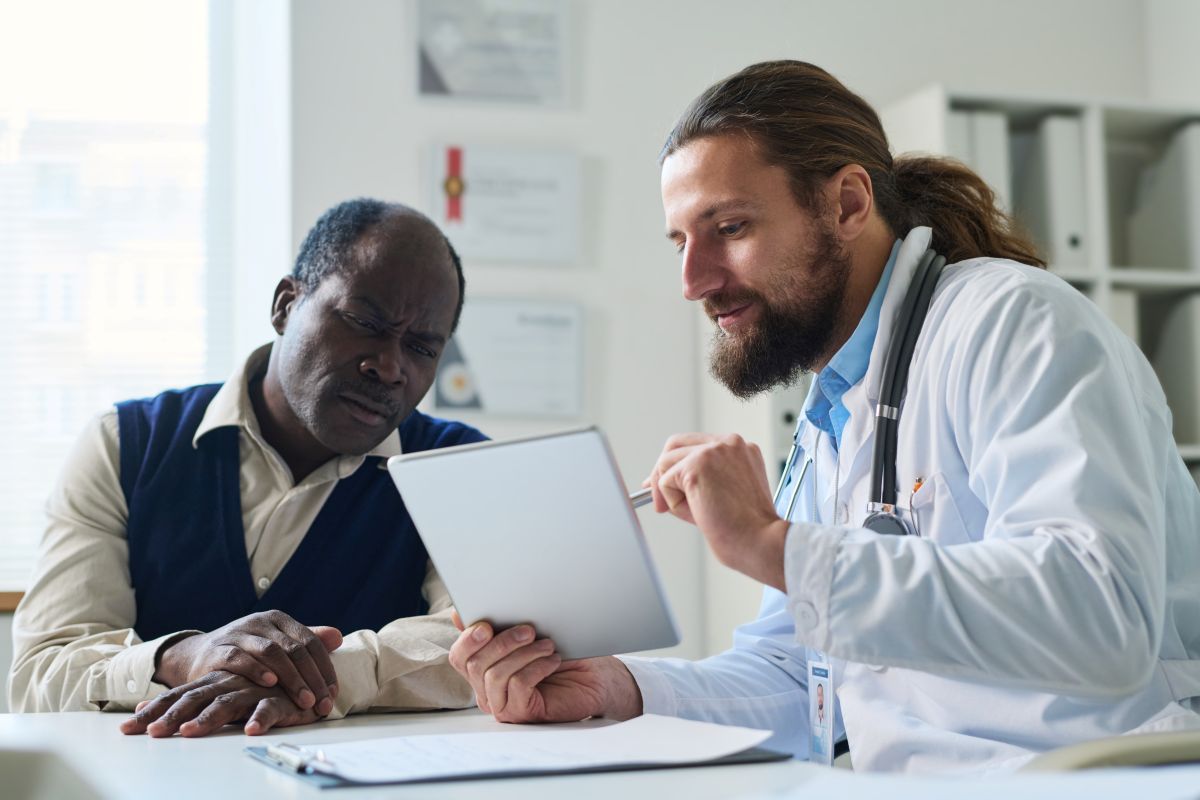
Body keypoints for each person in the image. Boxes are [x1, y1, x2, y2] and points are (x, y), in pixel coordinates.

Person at [446, 61, 1200, 773]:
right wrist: (617, 688)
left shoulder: (1013, 321)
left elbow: (1102, 614)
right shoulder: (836, 406)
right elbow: (800, 680)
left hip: (1087, 774)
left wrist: (773, 544)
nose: (693, 282)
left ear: (846, 204)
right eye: (681, 242)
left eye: (729, 229)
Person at [9, 198, 486, 738]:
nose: (390, 366)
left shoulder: (458, 469)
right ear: (285, 305)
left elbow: (481, 650)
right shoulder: (123, 445)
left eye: (422, 347)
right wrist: (181, 658)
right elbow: (40, 674)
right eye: (364, 322)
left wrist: (322, 677)